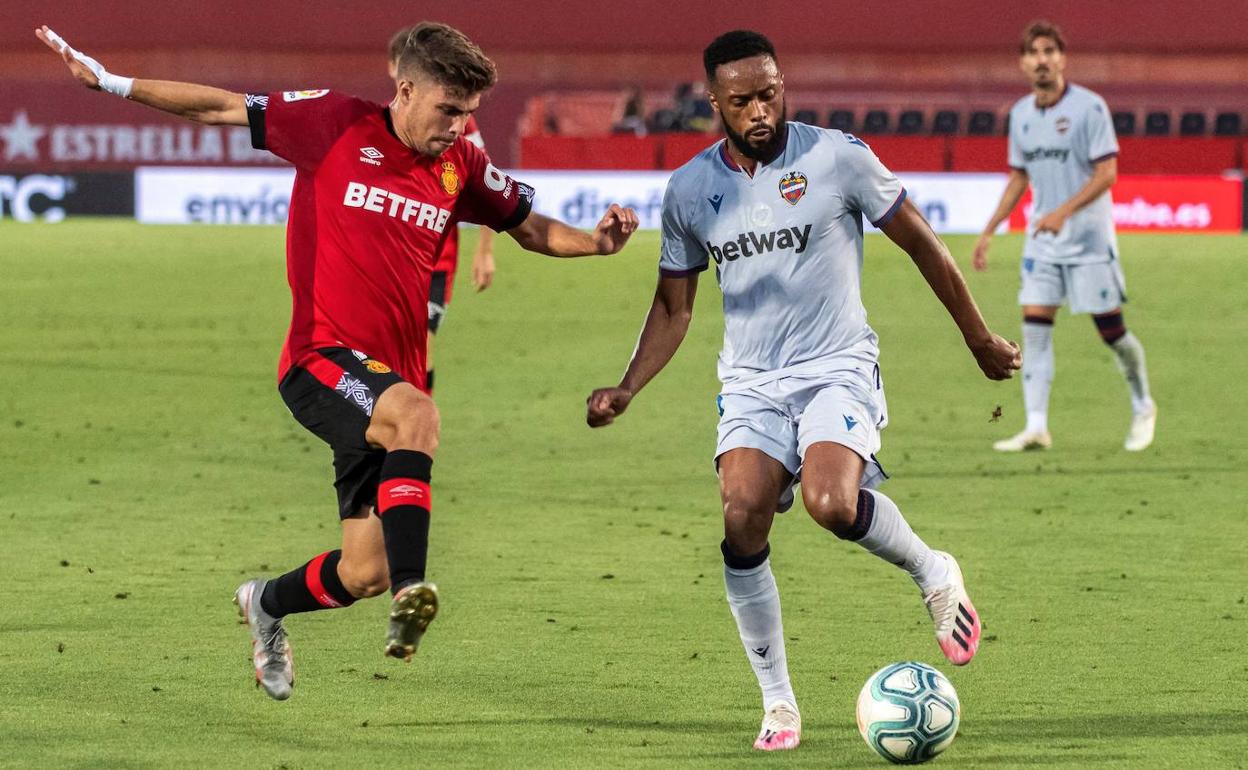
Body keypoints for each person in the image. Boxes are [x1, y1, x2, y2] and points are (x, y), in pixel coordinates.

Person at [38, 22, 638, 701]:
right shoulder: (332, 122)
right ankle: (415, 594)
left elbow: (530, 228)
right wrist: (113, 81)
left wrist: (596, 244)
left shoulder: (460, 165)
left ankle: (267, 603)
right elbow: (219, 106)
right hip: (320, 359)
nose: (459, 126)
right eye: (448, 109)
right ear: (405, 90)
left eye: (469, 114)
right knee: (418, 418)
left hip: (383, 384)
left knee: (361, 570)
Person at [585, 30, 1019, 752]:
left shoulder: (836, 156)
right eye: (741, 100)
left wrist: (976, 338)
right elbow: (673, 306)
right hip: (752, 382)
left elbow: (920, 242)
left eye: (769, 93)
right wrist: (629, 386)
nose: (759, 110)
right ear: (715, 104)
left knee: (829, 502)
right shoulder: (691, 190)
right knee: (741, 515)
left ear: (783, 85)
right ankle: (780, 703)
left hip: (837, 365)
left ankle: (933, 570)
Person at [973, 20, 1156, 452]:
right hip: (1044, 243)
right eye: (1034, 53)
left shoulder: (1089, 108)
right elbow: (1019, 177)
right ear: (1022, 63)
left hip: (1089, 242)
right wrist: (989, 229)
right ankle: (1036, 425)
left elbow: (1107, 173)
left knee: (1111, 332)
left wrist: (1062, 211)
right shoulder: (1019, 115)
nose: (1042, 60)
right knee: (1034, 328)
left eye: (1049, 52)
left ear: (1062, 59)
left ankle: (1143, 404)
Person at [389, 26, 495, 393]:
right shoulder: (383, 126)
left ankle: (418, 421)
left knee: (422, 339)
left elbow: (487, 186)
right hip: (394, 255)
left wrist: (484, 251)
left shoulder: (457, 123)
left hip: (438, 257)